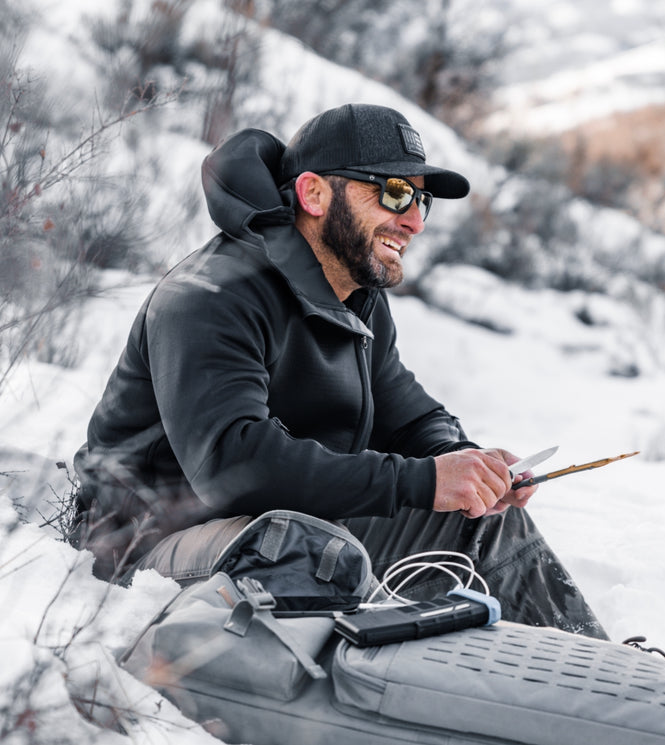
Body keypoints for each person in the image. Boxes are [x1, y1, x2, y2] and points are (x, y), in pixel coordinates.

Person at [69, 103, 607, 639]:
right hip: (145, 546)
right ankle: (396, 682)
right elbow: (231, 465)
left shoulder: (356, 295)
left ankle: (600, 668)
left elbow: (408, 415)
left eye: (421, 200)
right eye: (395, 192)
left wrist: (467, 468)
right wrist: (420, 481)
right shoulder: (210, 295)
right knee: (303, 547)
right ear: (314, 194)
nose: (415, 220)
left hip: (290, 524)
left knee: (480, 524)